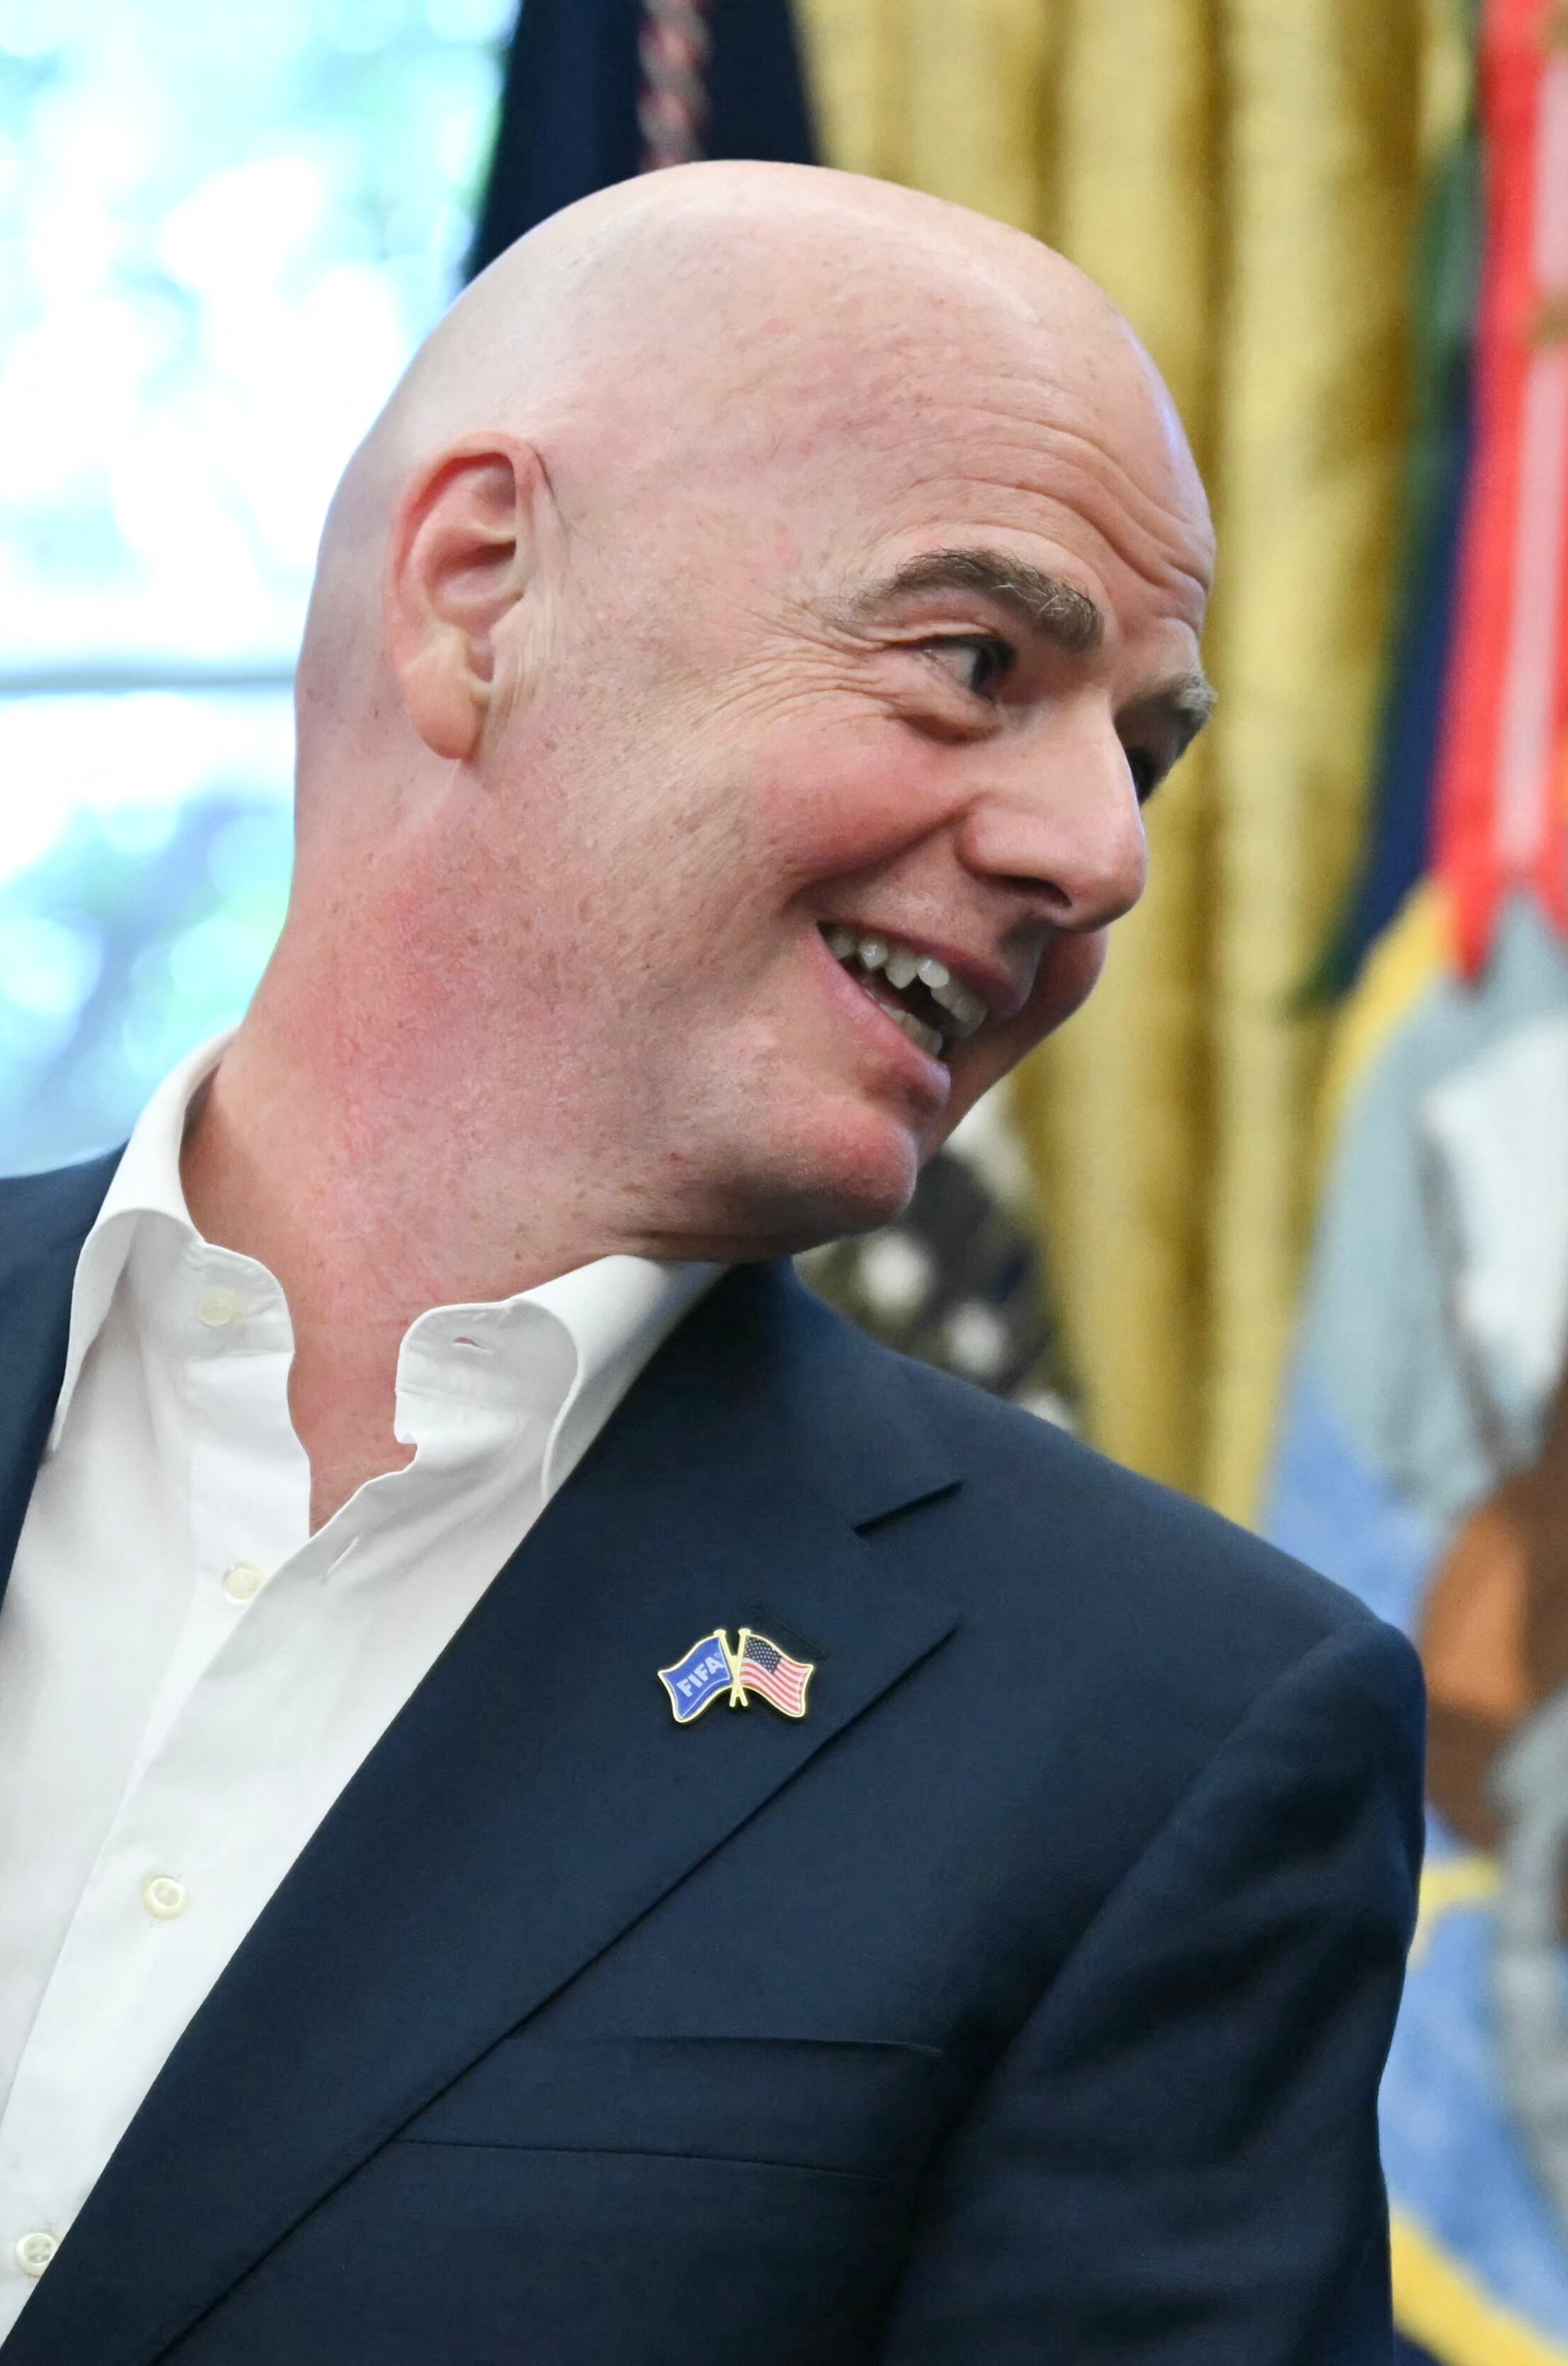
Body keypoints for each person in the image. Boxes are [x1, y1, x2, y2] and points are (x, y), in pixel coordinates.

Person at [0, 163, 1423, 2360]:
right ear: (481, 595)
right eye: (978, 663)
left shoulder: (1172, 1732)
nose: (1103, 856)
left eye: (1139, 755)